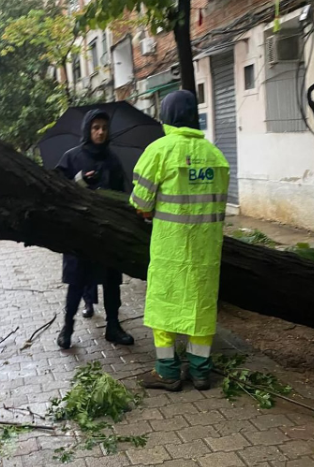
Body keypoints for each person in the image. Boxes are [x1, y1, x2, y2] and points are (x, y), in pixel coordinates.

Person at [130, 90, 229, 392]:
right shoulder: (216, 155)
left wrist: (148, 209)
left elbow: (140, 202)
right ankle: (200, 372)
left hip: (170, 248)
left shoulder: (159, 150)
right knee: (201, 307)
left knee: (164, 305)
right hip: (206, 251)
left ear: (167, 117)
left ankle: (168, 373)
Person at [56, 109, 134, 349]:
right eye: (95, 127)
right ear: (87, 130)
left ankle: (113, 326)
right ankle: (67, 327)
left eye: (104, 127)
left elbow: (123, 193)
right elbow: (55, 188)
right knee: (77, 281)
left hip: (108, 232)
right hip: (80, 233)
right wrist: (80, 180)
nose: (100, 132)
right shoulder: (71, 158)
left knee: (112, 281)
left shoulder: (113, 160)